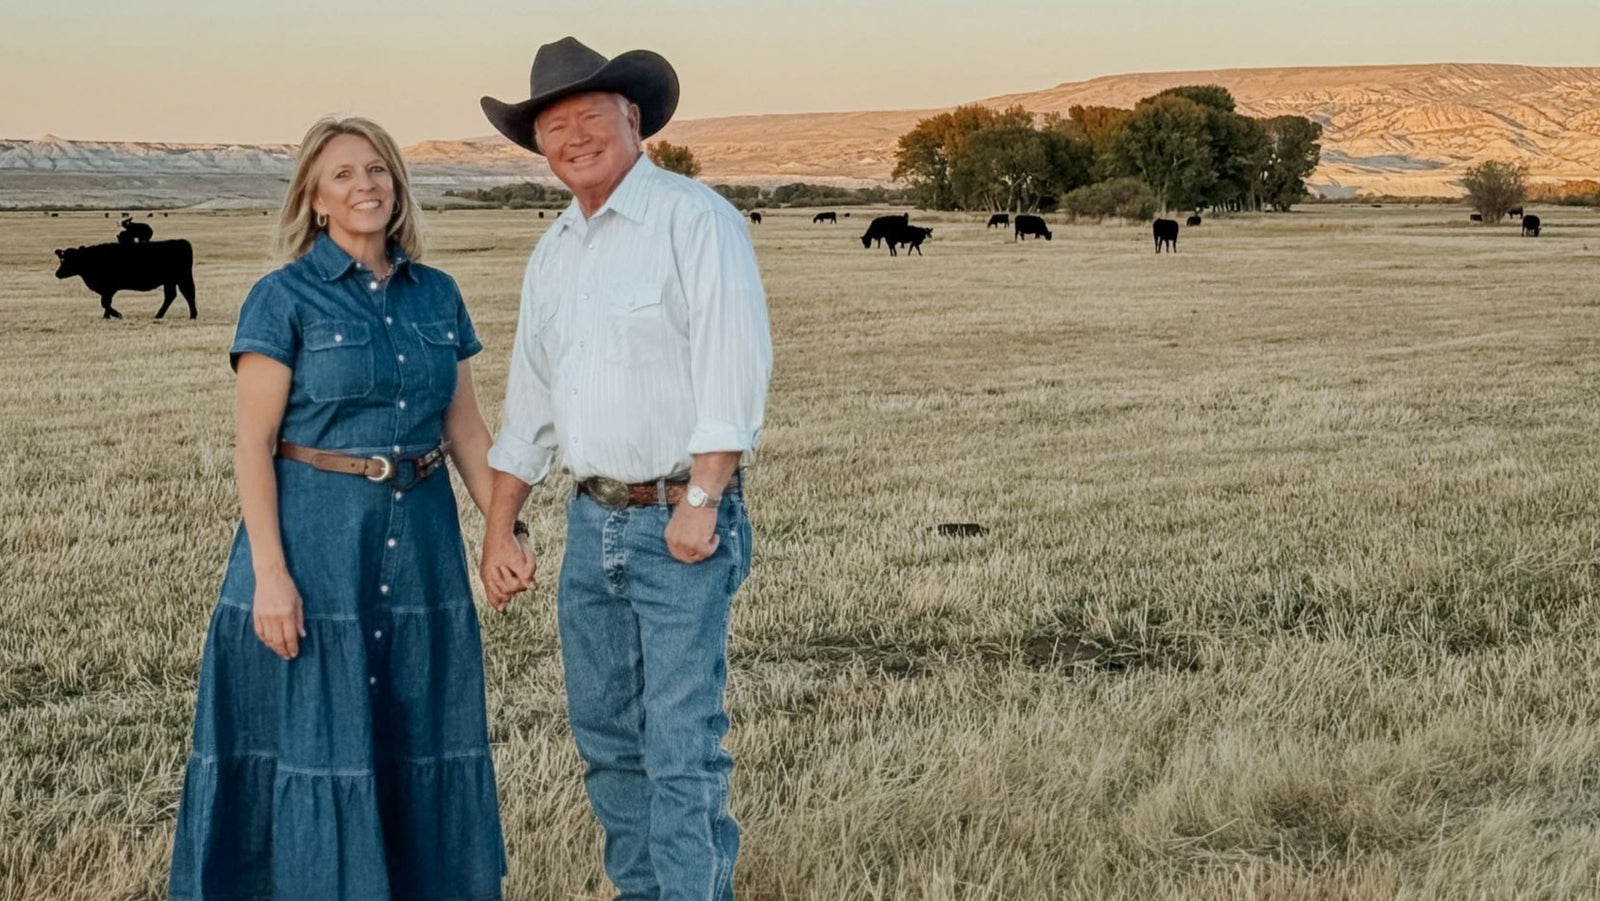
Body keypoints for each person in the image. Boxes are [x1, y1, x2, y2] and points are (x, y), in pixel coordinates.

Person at [168, 116, 519, 901]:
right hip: (315, 551)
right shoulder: (281, 297)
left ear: (397, 185)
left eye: (378, 171)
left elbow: (464, 430)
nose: (366, 186)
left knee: (420, 733)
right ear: (315, 199)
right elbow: (253, 445)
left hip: (423, 546)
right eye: (344, 176)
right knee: (312, 742)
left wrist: (505, 527)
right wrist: (270, 576)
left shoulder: (439, 296)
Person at [478, 37, 772, 901]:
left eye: (588, 117)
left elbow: (734, 367)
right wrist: (501, 525)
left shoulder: (694, 218)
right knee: (608, 739)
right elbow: (529, 403)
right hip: (589, 522)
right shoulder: (555, 253)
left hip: (679, 515)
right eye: (553, 126)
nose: (572, 137)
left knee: (681, 743)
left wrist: (704, 496)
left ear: (632, 118)